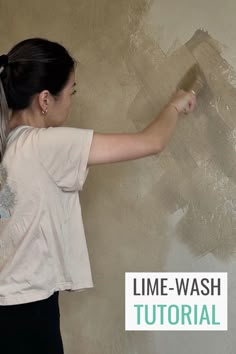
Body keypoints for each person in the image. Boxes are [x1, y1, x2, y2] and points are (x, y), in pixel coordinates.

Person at [0, 38, 197, 354]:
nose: (72, 101)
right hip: (28, 311)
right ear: (45, 100)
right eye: (71, 92)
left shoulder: (7, 143)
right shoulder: (46, 146)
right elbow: (151, 142)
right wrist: (176, 104)